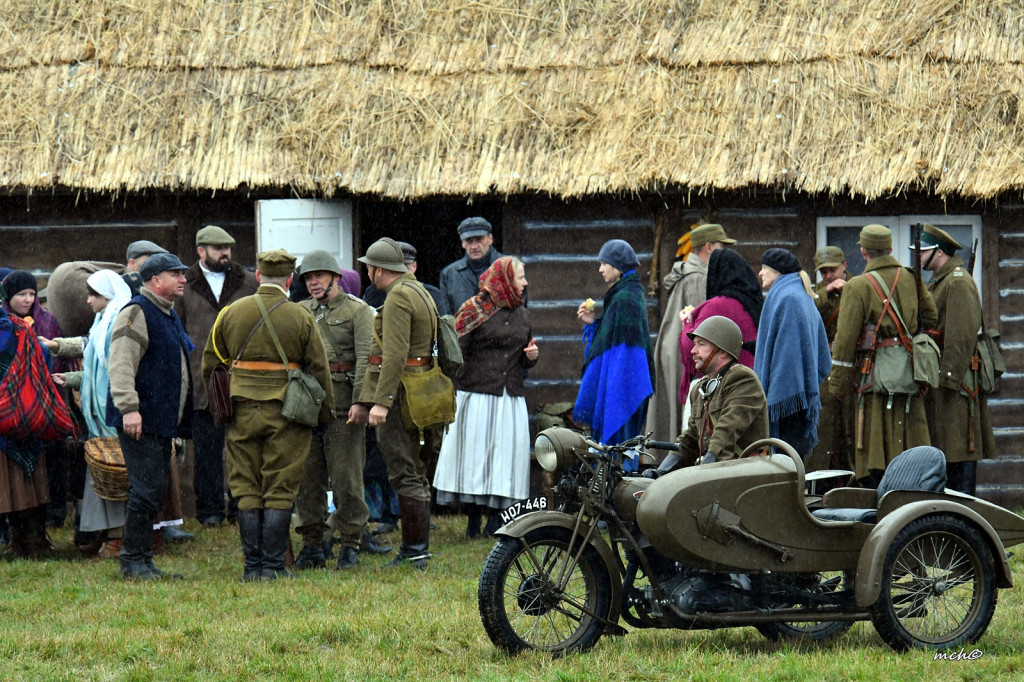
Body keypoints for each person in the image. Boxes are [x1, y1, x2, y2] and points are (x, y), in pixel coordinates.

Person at [202, 249, 333, 581]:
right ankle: (273, 567)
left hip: (241, 412)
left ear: (258, 276)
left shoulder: (231, 313)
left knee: (245, 487)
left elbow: (210, 364)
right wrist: (325, 414)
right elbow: (319, 369)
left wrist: (224, 404)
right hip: (288, 414)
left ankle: (251, 567)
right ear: (290, 280)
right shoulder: (301, 317)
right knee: (280, 487)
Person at [292, 250, 387, 571]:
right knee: (308, 479)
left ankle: (350, 542)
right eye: (307, 277)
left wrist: (361, 402)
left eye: (318, 275)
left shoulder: (358, 311)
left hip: (345, 406)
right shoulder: (300, 311)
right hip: (308, 407)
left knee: (347, 479)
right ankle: (312, 543)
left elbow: (367, 359)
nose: (313, 282)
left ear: (335, 276)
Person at [434, 256, 538, 538]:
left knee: (503, 459)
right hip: (477, 397)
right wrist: (456, 389)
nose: (525, 282)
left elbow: (523, 354)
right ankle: (473, 521)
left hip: (509, 398)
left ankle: (496, 520)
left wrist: (531, 358)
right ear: (503, 280)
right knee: (476, 458)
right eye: (520, 277)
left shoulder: (522, 313)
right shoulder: (473, 310)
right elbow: (455, 353)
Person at [828, 225, 938, 487]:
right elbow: (932, 318)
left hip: (873, 377)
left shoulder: (857, 286)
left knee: (875, 449)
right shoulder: (912, 278)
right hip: (910, 373)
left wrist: (838, 385)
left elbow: (844, 343)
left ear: (863, 252)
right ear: (890, 249)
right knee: (910, 444)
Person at [107, 253, 194, 580]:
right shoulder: (136, 312)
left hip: (158, 421)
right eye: (176, 274)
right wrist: (129, 408)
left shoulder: (166, 313)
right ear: (155, 280)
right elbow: (121, 365)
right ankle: (132, 562)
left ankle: (142, 559)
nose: (183, 279)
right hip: (140, 421)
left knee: (154, 489)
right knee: (145, 490)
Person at [357, 238, 437, 569]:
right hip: (422, 391)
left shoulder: (398, 297)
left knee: (404, 471)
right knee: (416, 471)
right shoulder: (419, 290)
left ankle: (414, 551)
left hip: (403, 395)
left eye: (369, 268)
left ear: (377, 270)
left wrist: (381, 402)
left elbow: (394, 355)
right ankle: (416, 548)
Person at [175, 225, 259, 527]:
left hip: (242, 376)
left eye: (227, 248)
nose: (225, 254)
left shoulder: (247, 281)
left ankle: (241, 506)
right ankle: (209, 509)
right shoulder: (185, 284)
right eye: (217, 248)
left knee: (241, 447)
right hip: (203, 378)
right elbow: (178, 329)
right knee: (207, 450)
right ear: (201, 251)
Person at [52, 270, 132, 559]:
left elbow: (114, 372)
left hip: (113, 409)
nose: (88, 301)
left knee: (116, 472)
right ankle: (107, 534)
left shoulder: (117, 323)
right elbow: (95, 369)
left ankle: (119, 537)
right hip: (98, 413)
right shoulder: (102, 322)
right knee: (103, 472)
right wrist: (72, 380)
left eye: (94, 295)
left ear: (108, 296)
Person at [912, 224, 996, 495]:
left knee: (958, 452)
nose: (918, 256)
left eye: (923, 251)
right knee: (946, 452)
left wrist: (945, 380)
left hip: (956, 385)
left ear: (939, 252)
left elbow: (960, 338)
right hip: (947, 381)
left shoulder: (957, 281)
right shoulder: (943, 280)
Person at [644, 316, 769, 477]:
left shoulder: (742, 380)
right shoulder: (700, 389)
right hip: (718, 474)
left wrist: (704, 470)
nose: (693, 351)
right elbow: (689, 440)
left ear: (722, 351)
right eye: (695, 344)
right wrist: (662, 472)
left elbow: (727, 429)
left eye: (701, 344)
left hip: (746, 476)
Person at [0, 287, 75, 558]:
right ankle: (29, 540)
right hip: (26, 414)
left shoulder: (17, 329)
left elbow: (42, 358)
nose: (28, 300)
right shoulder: (19, 328)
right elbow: (43, 360)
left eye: (32, 294)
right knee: (26, 482)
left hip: (13, 418)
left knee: (11, 484)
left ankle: (20, 541)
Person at [647, 223, 736, 443]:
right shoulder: (698, 278)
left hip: (674, 349)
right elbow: (705, 329)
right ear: (708, 247)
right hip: (686, 351)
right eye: (721, 246)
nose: (725, 251)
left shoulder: (687, 272)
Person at [573, 239, 654, 473]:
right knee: (617, 448)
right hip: (620, 385)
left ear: (618, 266)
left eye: (604, 263)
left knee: (620, 445)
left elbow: (627, 351)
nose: (600, 269)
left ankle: (616, 496)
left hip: (625, 387)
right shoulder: (621, 293)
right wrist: (595, 324)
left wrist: (616, 391)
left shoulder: (626, 297)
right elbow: (614, 336)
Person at [754, 249, 831, 459]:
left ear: (777, 271)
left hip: (789, 401)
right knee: (794, 462)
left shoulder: (788, 297)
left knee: (786, 464)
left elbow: (787, 358)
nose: (760, 273)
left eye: (764, 269)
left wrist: (778, 392)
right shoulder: (796, 294)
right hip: (799, 397)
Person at [677, 247, 761, 398]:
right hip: (749, 381)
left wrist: (687, 322)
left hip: (722, 388)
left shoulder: (716, 306)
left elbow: (691, 347)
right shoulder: (749, 302)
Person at [808, 246, 854, 475]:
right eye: (823, 271)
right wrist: (826, 292)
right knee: (824, 426)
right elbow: (809, 314)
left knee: (849, 425)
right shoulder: (815, 292)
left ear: (844, 266)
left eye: (832, 270)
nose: (828, 275)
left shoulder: (857, 287)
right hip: (823, 368)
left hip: (851, 366)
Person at [438, 217, 505, 316]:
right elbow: (447, 319)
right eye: (469, 241)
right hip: (462, 331)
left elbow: (519, 313)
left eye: (479, 239)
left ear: (490, 239)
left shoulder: (507, 267)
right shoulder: (449, 274)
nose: (474, 246)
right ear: (462, 243)